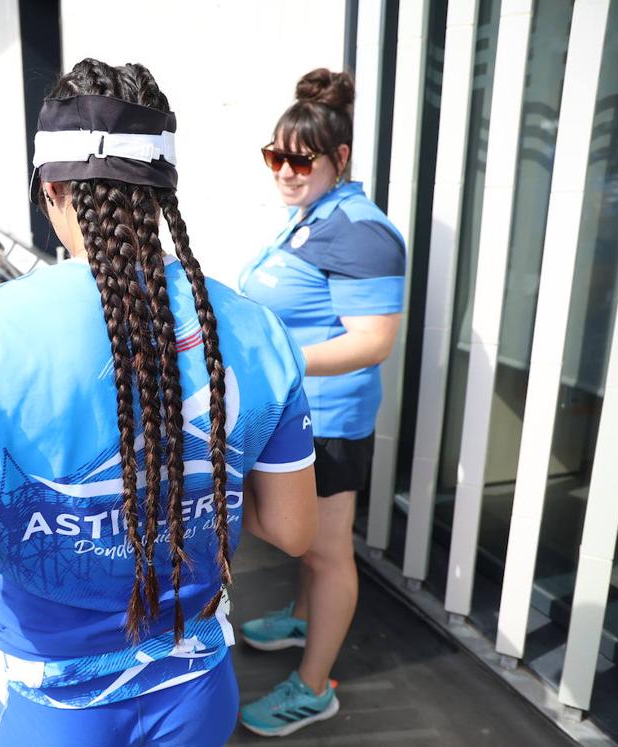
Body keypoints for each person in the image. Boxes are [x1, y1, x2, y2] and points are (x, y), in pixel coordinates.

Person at [0, 58, 319, 747]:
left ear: (50, 188)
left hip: (49, 704)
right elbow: (294, 531)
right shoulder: (260, 330)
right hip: (196, 691)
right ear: (165, 188)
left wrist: (9, 498)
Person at [236, 68, 406, 737]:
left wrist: (270, 360)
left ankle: (314, 688)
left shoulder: (363, 231)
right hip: (293, 413)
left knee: (328, 551)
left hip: (329, 419)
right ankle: (301, 619)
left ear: (339, 159)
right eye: (275, 155)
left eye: (300, 158)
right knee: (307, 548)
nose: (285, 170)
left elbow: (372, 342)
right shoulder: (308, 217)